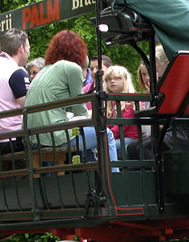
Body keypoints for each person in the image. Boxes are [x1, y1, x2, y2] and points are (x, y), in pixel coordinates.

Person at [25, 30, 119, 163]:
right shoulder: (72, 68)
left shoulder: (45, 70)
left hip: (33, 138)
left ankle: (93, 180)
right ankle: (112, 180)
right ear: (79, 50)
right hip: (53, 137)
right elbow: (79, 110)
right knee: (105, 134)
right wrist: (91, 113)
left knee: (88, 137)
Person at [102, 64, 141, 155]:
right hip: (115, 137)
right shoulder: (109, 102)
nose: (112, 81)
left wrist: (105, 136)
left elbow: (121, 126)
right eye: (108, 79)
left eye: (117, 78)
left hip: (130, 138)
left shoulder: (130, 100)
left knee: (107, 148)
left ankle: (111, 169)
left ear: (125, 80)